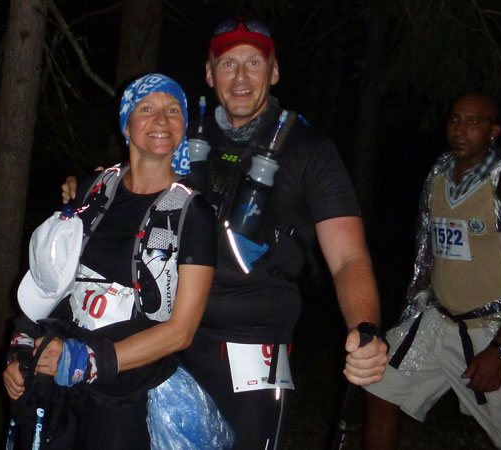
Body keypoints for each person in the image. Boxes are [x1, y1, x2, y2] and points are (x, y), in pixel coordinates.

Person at [62, 17, 388, 450]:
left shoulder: (311, 151)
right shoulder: (183, 134)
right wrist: (85, 186)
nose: (240, 77)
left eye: (254, 63)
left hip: (252, 347)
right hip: (164, 334)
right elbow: (135, 178)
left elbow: (348, 257)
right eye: (228, 63)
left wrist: (365, 327)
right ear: (209, 73)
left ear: (274, 71)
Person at [3, 74, 222, 450]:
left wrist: (87, 360)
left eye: (173, 110)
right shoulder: (92, 190)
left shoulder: (193, 213)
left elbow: (181, 332)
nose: (161, 119)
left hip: (125, 393)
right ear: (126, 124)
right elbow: (49, 277)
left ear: (184, 127)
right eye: (147, 108)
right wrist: (21, 347)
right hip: (59, 381)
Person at [363, 93, 501, 450]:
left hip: (492, 329)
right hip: (437, 321)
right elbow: (429, 249)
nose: (460, 129)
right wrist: (414, 302)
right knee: (379, 387)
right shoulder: (439, 176)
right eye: (454, 119)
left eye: (473, 122)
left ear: (493, 131)